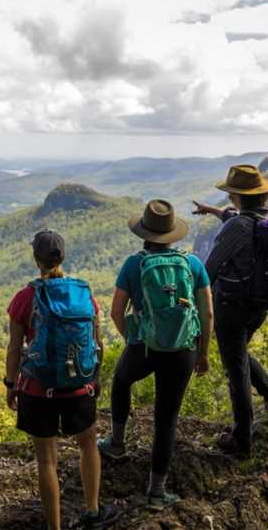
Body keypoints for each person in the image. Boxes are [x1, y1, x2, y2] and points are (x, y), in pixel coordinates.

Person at [97, 199, 213, 510]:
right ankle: (157, 491)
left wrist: (133, 338)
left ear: (144, 233)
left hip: (144, 347)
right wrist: (203, 353)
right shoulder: (193, 265)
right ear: (173, 234)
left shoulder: (134, 264)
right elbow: (208, 314)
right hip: (183, 349)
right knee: (167, 419)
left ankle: (117, 443)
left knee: (121, 381)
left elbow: (116, 312)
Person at [4, 230, 121, 530]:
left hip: (38, 389)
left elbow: (15, 348)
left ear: (36, 259)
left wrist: (10, 384)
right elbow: (97, 342)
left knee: (47, 460)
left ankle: (54, 526)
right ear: (63, 257)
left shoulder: (25, 297)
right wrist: (94, 379)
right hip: (79, 385)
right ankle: (93, 512)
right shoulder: (83, 293)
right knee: (88, 445)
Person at [193, 164, 268, 457]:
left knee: (235, 368)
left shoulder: (236, 227)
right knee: (239, 354)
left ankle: (242, 440)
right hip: (258, 306)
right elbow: (237, 219)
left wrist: (193, 302)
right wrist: (212, 210)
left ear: (236, 196)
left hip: (232, 307)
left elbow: (208, 270)